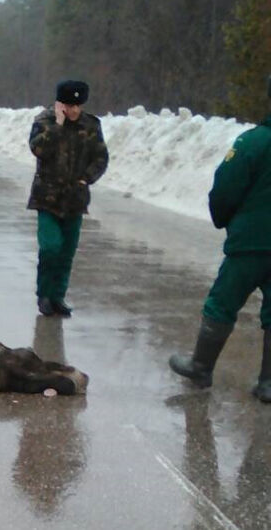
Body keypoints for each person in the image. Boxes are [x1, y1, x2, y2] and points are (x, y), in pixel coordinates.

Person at [169, 75, 271, 402]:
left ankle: (201, 366)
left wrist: (225, 219)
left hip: (250, 245)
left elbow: (225, 190)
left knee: (223, 302)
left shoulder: (253, 143)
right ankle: (268, 383)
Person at [27, 80, 109, 317]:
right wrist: (58, 126)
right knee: (51, 247)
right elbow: (38, 150)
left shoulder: (91, 125)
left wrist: (87, 178)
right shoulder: (43, 122)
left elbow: (101, 157)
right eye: (68, 105)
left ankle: (58, 297)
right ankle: (44, 295)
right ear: (60, 104)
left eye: (77, 106)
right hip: (47, 199)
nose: (73, 110)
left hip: (75, 199)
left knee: (66, 253)